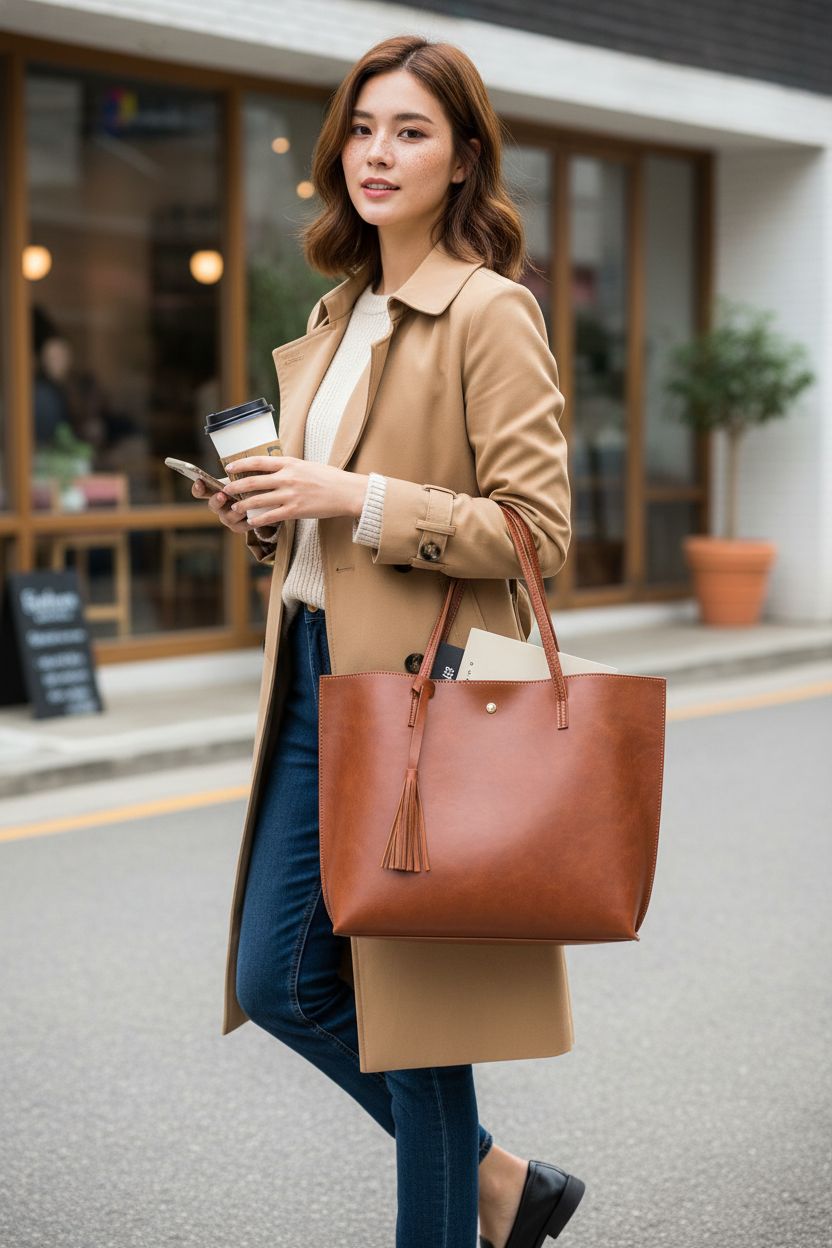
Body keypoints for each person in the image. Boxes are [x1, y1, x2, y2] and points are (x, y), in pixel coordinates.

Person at [194, 35, 580, 1248]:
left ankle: (480, 1207)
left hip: (421, 699)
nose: (376, 153)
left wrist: (346, 499)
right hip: (313, 683)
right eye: (362, 128)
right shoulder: (336, 312)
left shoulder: (488, 310)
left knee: (418, 1026)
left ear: (464, 158)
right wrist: (271, 511)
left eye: (410, 132)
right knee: (280, 981)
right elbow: (328, 522)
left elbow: (537, 535)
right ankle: (506, 1188)